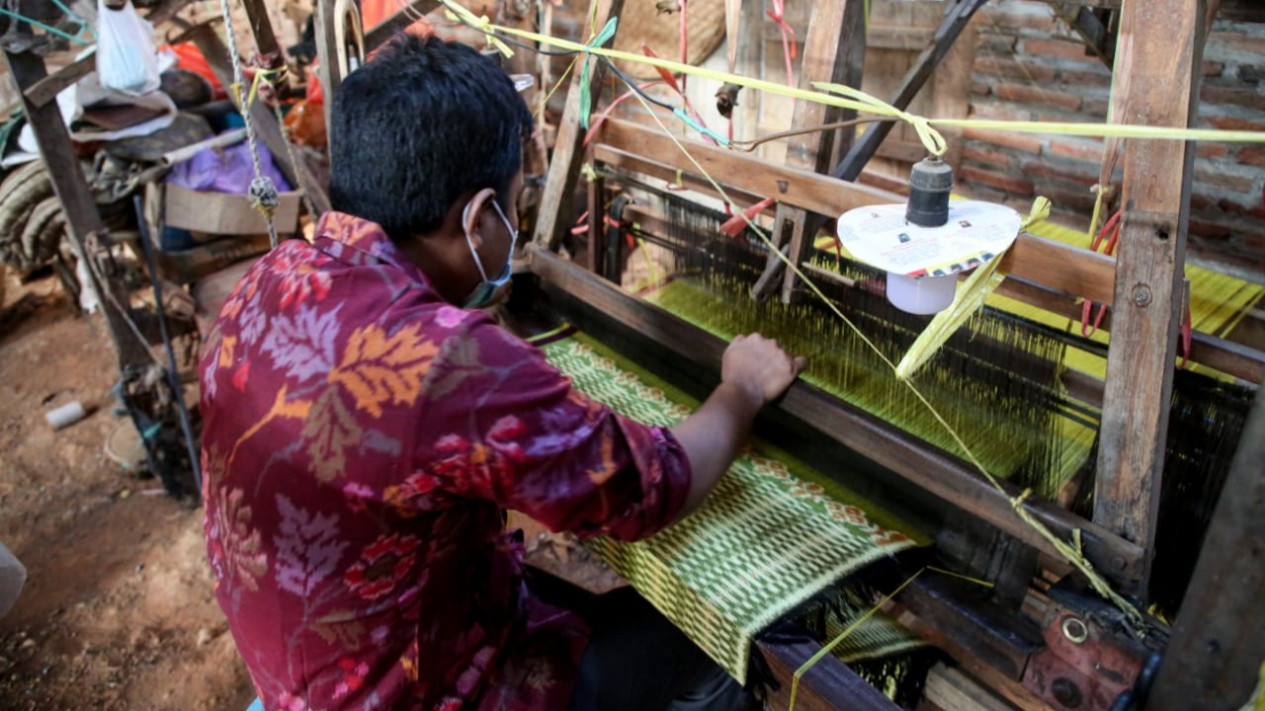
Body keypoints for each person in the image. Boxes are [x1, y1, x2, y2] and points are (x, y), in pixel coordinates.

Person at [200, 34, 805, 711]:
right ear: (480, 217)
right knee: (727, 648)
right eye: (518, 201)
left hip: (307, 669)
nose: (515, 222)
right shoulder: (445, 361)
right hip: (416, 690)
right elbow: (651, 489)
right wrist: (742, 387)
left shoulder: (265, 281)